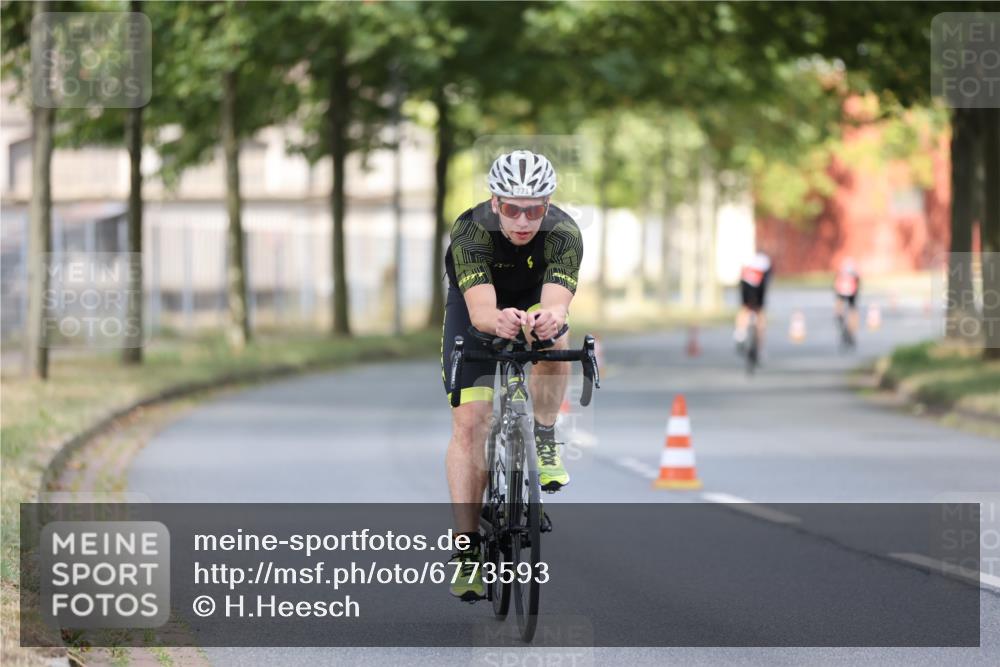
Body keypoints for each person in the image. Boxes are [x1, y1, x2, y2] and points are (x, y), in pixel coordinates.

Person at [441, 149, 583, 600]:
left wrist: (551, 319)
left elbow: (557, 303)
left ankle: (544, 433)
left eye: (534, 210)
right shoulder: (470, 230)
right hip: (477, 310)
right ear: (495, 202)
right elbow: (482, 312)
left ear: (548, 205)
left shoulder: (564, 233)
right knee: (471, 423)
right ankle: (467, 549)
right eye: (512, 209)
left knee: (555, 338)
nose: (523, 220)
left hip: (534, 299)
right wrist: (497, 321)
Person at [734, 251, 772, 352]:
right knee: (760, 312)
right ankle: (759, 346)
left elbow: (741, 273)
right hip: (759, 279)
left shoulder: (747, 257)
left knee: (745, 308)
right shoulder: (765, 259)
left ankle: (740, 333)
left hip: (747, 279)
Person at [833, 258, 861, 343]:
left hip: (843, 290)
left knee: (842, 306)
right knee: (852, 309)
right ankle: (851, 328)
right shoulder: (853, 273)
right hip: (851, 290)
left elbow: (836, 283)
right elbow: (858, 281)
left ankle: (840, 317)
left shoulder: (841, 272)